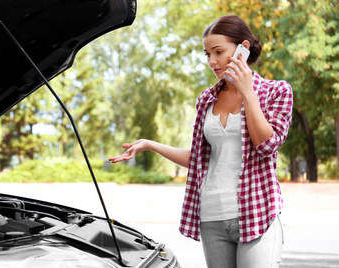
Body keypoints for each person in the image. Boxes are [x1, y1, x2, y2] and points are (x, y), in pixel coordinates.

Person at [109, 15, 293, 268]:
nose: (212, 61)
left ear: (243, 49)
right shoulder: (206, 99)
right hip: (212, 216)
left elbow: (267, 145)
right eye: (207, 54)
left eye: (219, 51)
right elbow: (199, 159)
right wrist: (150, 144)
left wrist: (248, 92)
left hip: (256, 213)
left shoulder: (277, 91)